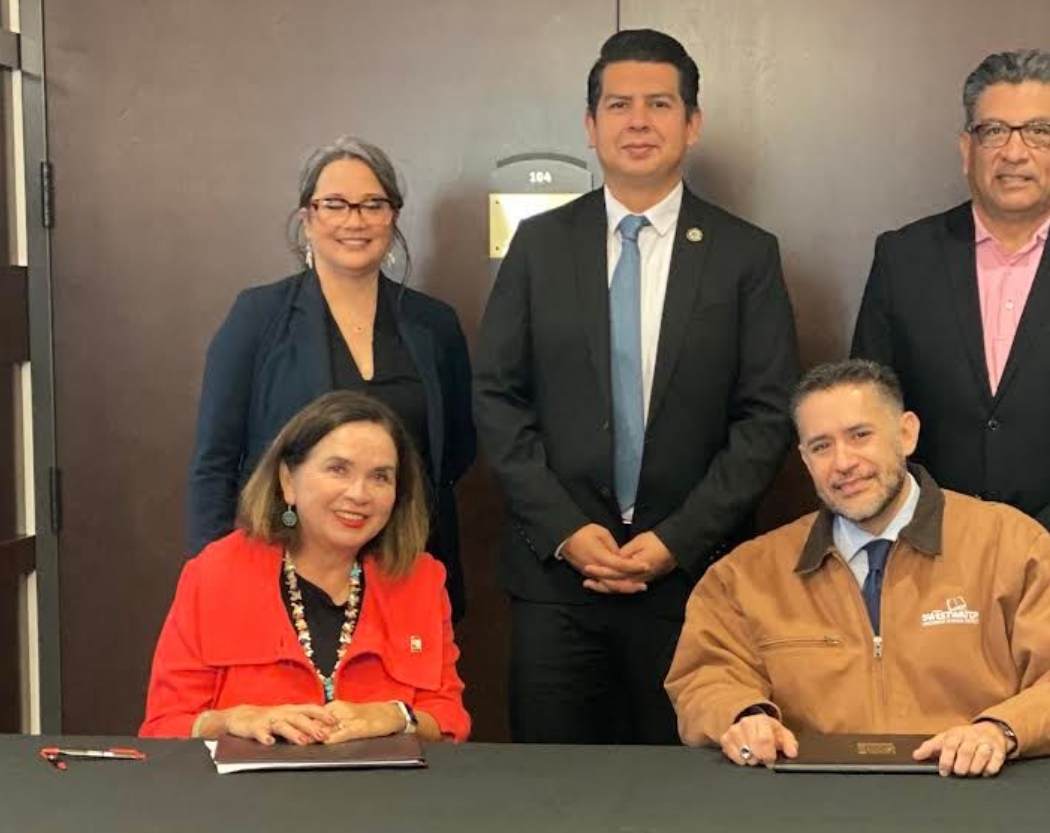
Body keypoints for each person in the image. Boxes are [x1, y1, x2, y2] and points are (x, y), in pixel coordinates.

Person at [474, 29, 799, 744]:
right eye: (619, 105)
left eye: (660, 103)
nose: (639, 121)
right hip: (555, 581)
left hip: (692, 582)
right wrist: (564, 531)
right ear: (590, 128)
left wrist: (675, 540)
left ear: (693, 124)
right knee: (552, 802)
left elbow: (767, 418)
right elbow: (497, 397)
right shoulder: (539, 247)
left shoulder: (746, 255)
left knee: (684, 807)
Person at [665, 360, 1050, 776]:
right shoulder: (746, 573)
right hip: (810, 814)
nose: (843, 463)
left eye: (860, 435)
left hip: (974, 804)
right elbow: (703, 676)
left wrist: (1002, 730)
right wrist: (743, 714)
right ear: (804, 459)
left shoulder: (1012, 544)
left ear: (906, 433)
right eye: (821, 446)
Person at [850, 50, 1050, 635]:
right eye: (994, 131)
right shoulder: (904, 258)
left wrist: (1039, 550)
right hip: (926, 575)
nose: (1014, 152)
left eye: (1039, 131)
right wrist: (936, 538)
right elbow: (870, 416)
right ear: (967, 147)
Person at [187, 136, 475, 620]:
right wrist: (214, 577)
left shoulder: (435, 325)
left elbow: (457, 451)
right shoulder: (258, 317)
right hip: (282, 570)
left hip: (407, 568)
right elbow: (214, 462)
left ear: (393, 216)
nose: (354, 220)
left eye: (372, 204)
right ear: (307, 218)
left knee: (403, 700)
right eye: (334, 204)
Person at [143, 391, 470, 743]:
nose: (359, 494)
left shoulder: (421, 579)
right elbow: (163, 727)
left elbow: (449, 719)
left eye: (380, 477)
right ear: (288, 481)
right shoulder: (215, 573)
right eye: (338, 469)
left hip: (384, 792)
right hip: (247, 795)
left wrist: (395, 715)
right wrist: (233, 720)